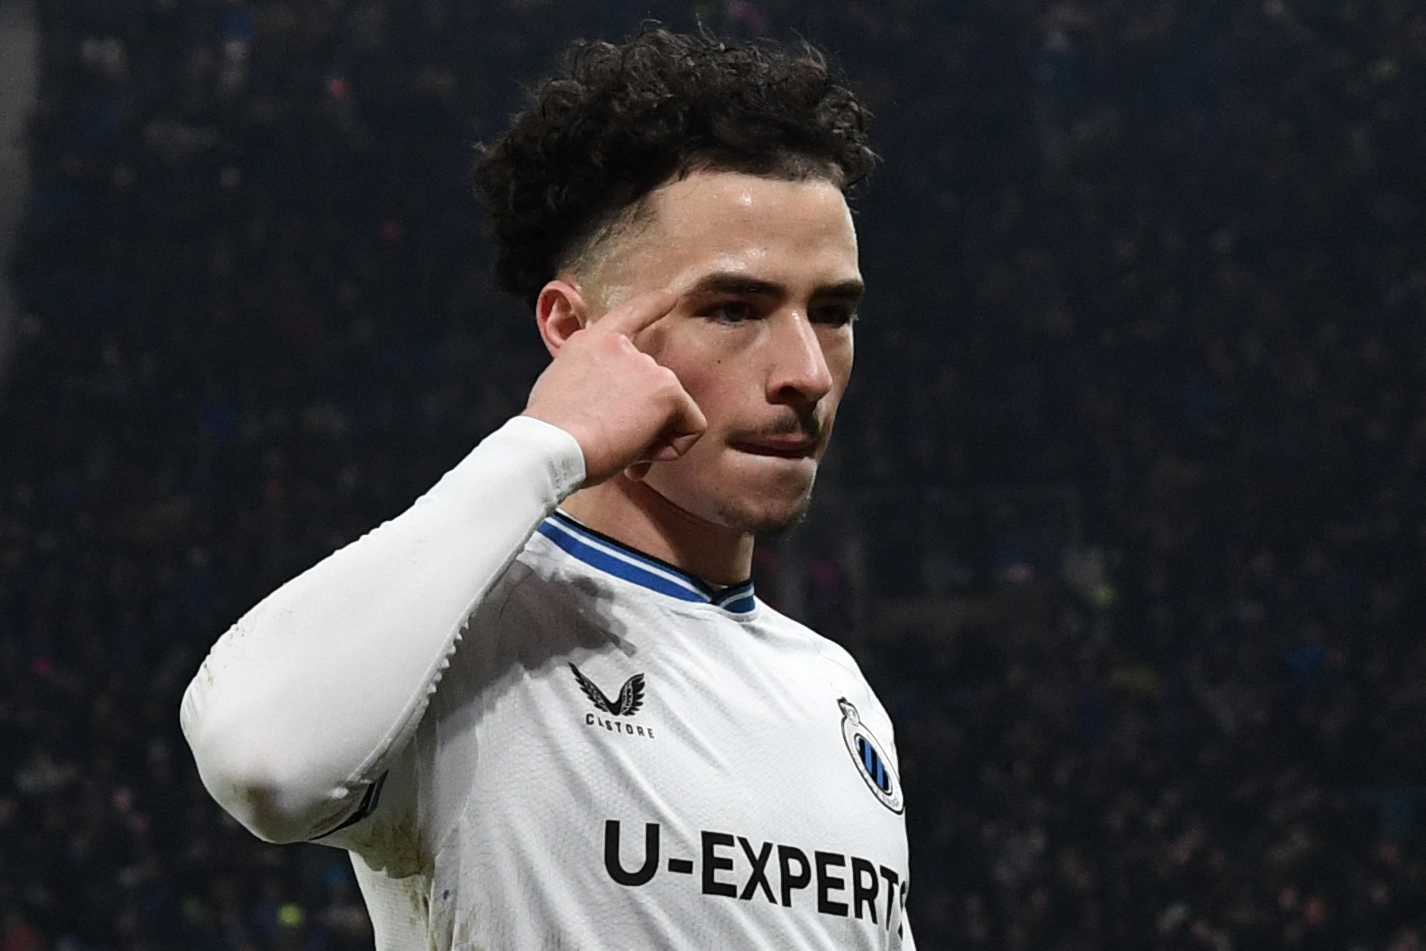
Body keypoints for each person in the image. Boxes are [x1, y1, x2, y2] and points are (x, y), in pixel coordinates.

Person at [181, 27, 915, 949]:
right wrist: (545, 442)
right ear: (574, 328)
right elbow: (260, 761)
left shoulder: (836, 694)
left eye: (833, 313)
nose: (806, 371)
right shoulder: (466, 634)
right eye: (734, 308)